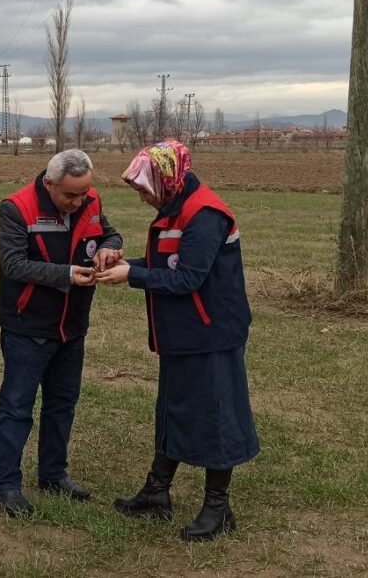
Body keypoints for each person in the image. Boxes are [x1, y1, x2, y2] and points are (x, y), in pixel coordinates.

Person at [95, 140, 259, 542]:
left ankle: (219, 507)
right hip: (180, 335)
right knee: (173, 409)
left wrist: (131, 277)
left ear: (165, 179)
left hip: (212, 334)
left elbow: (188, 278)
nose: (141, 199)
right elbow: (163, 264)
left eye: (143, 189)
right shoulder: (173, 209)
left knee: (216, 417)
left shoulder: (204, 214)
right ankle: (156, 492)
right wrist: (124, 262)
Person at [0, 149, 124, 517]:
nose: (79, 202)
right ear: (49, 184)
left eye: (84, 194)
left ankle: (53, 475)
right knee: (17, 408)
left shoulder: (90, 201)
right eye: (70, 195)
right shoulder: (16, 208)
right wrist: (67, 274)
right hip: (28, 327)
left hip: (72, 327)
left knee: (62, 404)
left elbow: (110, 234)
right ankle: (6, 485)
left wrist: (111, 250)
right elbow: (14, 264)